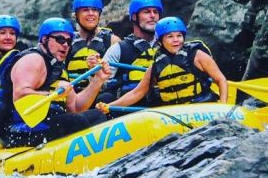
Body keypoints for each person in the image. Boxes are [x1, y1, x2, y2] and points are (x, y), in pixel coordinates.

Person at [0, 17, 111, 148]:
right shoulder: (33, 59)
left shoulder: (58, 67)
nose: (65, 45)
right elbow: (20, 94)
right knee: (76, 121)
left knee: (97, 116)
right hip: (16, 128)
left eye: (69, 41)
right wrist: (53, 94)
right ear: (45, 40)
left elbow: (76, 107)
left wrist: (98, 80)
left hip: (46, 122)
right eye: (60, 39)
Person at [97, 17, 228, 113]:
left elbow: (220, 80)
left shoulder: (197, 55)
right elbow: (137, 93)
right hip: (175, 113)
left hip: (202, 108)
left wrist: (223, 108)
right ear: (161, 41)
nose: (176, 40)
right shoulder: (156, 65)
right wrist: (110, 106)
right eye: (170, 37)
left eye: (179, 36)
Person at [103, 0, 163, 104]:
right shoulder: (119, 49)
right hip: (131, 108)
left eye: (155, 12)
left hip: (164, 104)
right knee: (104, 97)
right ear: (134, 17)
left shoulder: (168, 46)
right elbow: (102, 84)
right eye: (146, 12)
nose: (152, 15)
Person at [65, 0, 121, 101]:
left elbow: (118, 77)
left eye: (95, 10)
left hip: (101, 96)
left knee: (106, 98)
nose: (91, 13)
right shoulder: (67, 41)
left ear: (99, 14)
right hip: (73, 95)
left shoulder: (112, 40)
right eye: (85, 10)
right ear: (76, 15)